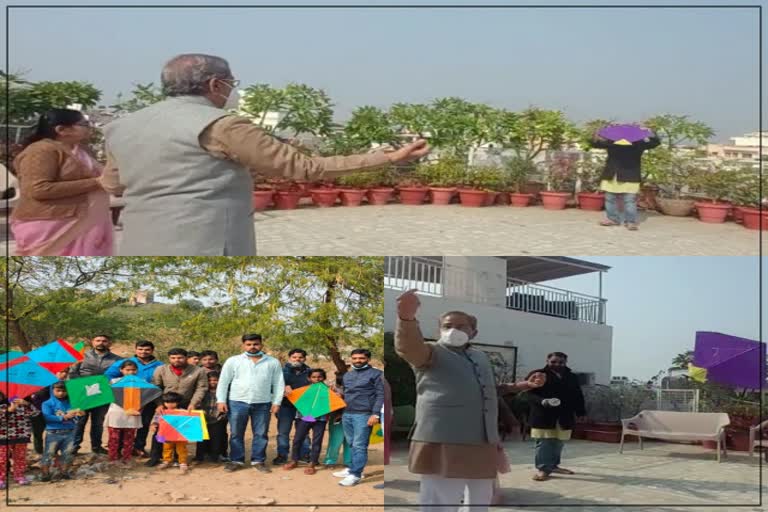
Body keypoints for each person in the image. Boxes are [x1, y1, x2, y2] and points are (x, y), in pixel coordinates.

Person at [100, 53, 430, 256]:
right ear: (216, 85)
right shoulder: (223, 125)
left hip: (139, 241)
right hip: (206, 242)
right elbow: (304, 167)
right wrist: (388, 157)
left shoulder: (121, 126)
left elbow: (113, 184)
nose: (234, 90)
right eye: (232, 82)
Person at [394, 289, 542, 511]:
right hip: (443, 438)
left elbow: (485, 390)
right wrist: (406, 318)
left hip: (482, 439)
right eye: (447, 326)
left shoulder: (479, 356)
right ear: (439, 330)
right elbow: (408, 347)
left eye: (461, 326)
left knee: (480, 497)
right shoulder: (430, 353)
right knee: (442, 499)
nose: (453, 330)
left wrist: (519, 386)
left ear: (473, 332)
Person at [11, 108, 113, 255]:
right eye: (84, 124)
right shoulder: (41, 150)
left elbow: (106, 176)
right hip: (50, 223)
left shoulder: (81, 150)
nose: (90, 127)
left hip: (84, 218)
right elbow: (38, 189)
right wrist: (97, 182)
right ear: (62, 129)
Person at [216, 334, 285, 472]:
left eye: (256, 344)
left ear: (261, 345)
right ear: (243, 345)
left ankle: (258, 460)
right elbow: (224, 381)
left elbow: (278, 383)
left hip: (263, 402)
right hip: (237, 401)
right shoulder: (233, 361)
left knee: (261, 433)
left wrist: (277, 402)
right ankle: (236, 460)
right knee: (236, 433)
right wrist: (221, 400)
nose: (252, 347)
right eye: (249, 344)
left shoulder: (272, 362)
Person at [526, 352, 587, 482]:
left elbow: (578, 395)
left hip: (565, 415)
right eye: (553, 362)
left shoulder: (571, 377)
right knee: (544, 443)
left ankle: (553, 466)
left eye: (561, 362)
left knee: (558, 442)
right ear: (547, 361)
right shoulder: (538, 374)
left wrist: (581, 412)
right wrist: (543, 401)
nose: (557, 364)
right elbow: (528, 394)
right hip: (544, 415)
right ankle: (543, 469)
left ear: (565, 363)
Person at [146, 347, 207, 467]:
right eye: (173, 358)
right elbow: (155, 387)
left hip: (186, 405)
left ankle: (179, 459)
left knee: (181, 434)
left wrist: (193, 403)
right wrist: (159, 404)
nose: (176, 360)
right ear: (169, 358)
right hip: (167, 404)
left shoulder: (198, 371)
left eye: (180, 357)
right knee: (161, 433)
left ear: (186, 358)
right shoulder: (161, 369)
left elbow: (201, 388)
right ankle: (155, 456)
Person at [332, 348, 384, 487]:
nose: (358, 361)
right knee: (351, 443)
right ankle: (352, 468)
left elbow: (381, 395)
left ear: (368, 359)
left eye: (361, 358)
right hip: (347, 413)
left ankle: (355, 475)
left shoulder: (377, 374)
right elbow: (347, 393)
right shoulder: (347, 375)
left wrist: (375, 414)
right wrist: (340, 396)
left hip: (364, 414)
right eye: (354, 358)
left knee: (360, 445)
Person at [591, 128, 661, 231]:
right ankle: (613, 219)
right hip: (612, 175)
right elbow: (595, 143)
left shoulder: (638, 144)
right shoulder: (612, 142)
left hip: (630, 176)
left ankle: (630, 222)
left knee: (630, 201)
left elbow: (655, 143)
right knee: (610, 199)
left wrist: (651, 132)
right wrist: (596, 133)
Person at [104, 339, 164, 457]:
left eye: (147, 349)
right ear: (135, 349)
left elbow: (160, 384)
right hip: (123, 400)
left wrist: (157, 399)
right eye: (140, 349)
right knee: (121, 425)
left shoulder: (160, 365)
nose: (143, 352)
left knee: (144, 423)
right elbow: (108, 376)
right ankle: (118, 449)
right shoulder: (124, 362)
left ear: (152, 350)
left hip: (147, 399)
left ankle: (138, 447)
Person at [69, 334, 121, 455]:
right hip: (82, 393)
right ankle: (74, 446)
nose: (101, 343)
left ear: (109, 343)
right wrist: (81, 386)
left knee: (98, 422)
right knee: (79, 421)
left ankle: (96, 447)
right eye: (98, 340)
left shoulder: (117, 360)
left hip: (103, 394)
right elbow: (72, 373)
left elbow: (119, 377)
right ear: (92, 342)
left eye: (104, 341)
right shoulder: (81, 356)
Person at [283, 369, 330, 475]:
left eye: (319, 377)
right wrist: (288, 393)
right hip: (304, 417)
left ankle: (312, 463)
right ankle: (294, 460)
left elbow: (333, 403)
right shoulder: (303, 390)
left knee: (317, 441)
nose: (317, 379)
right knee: (297, 439)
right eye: (314, 377)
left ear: (324, 378)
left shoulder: (328, 390)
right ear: (309, 378)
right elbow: (292, 396)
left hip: (320, 419)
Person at [274, 348, 311, 465]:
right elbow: (273, 385)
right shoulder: (281, 371)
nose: (297, 359)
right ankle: (282, 455)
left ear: (304, 358)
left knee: (304, 432)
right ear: (289, 358)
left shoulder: (310, 372)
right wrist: (284, 386)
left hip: (305, 406)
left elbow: (317, 385)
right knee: (283, 432)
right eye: (294, 357)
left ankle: (304, 454)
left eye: (300, 357)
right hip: (285, 406)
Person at [105, 360, 143, 465]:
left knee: (129, 438)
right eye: (127, 370)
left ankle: (127, 458)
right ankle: (112, 458)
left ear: (137, 370)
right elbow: (108, 396)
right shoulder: (113, 382)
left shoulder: (142, 382)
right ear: (121, 370)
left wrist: (140, 408)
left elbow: (145, 398)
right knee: (114, 438)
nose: (130, 372)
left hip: (133, 413)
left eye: (133, 370)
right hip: (116, 412)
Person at [0, 392, 40, 489]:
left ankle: (19, 476)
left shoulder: (24, 404)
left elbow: (36, 413)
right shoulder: (2, 406)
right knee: (2, 459)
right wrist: (9, 411)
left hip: (21, 436)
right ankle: (1, 478)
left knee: (20, 457)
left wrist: (27, 404)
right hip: (3, 437)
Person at [40, 382, 78, 482]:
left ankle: (64, 472)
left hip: (70, 431)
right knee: (49, 453)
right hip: (53, 432)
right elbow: (47, 417)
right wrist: (63, 417)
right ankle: (45, 473)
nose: (61, 393)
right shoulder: (47, 403)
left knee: (68, 452)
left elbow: (77, 417)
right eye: (58, 391)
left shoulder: (72, 403)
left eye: (63, 391)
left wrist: (79, 413)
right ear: (53, 390)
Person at [30, 368, 69, 457]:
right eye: (62, 371)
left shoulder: (64, 385)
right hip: (37, 412)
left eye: (66, 372)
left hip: (54, 412)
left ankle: (53, 452)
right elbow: (34, 397)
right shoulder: (38, 382)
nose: (64, 374)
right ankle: (39, 452)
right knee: (37, 433)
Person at [194, 371, 228, 463]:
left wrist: (224, 415)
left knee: (217, 438)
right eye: (210, 380)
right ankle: (200, 457)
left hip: (218, 418)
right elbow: (197, 402)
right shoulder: (202, 392)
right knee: (201, 439)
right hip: (203, 418)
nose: (212, 382)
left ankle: (215, 456)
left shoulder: (224, 392)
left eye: (215, 380)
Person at [152, 392, 190, 473]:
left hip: (180, 434)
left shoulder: (182, 411)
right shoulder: (162, 411)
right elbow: (156, 419)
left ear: (177, 402)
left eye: (172, 402)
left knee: (181, 448)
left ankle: (183, 462)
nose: (169, 404)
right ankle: (166, 460)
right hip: (166, 434)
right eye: (167, 402)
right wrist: (154, 425)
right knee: (166, 448)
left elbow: (189, 419)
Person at [323, 372, 351, 468]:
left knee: (349, 441)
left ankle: (349, 461)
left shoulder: (356, 390)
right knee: (336, 440)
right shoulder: (332, 390)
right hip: (337, 418)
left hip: (351, 417)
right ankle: (330, 461)